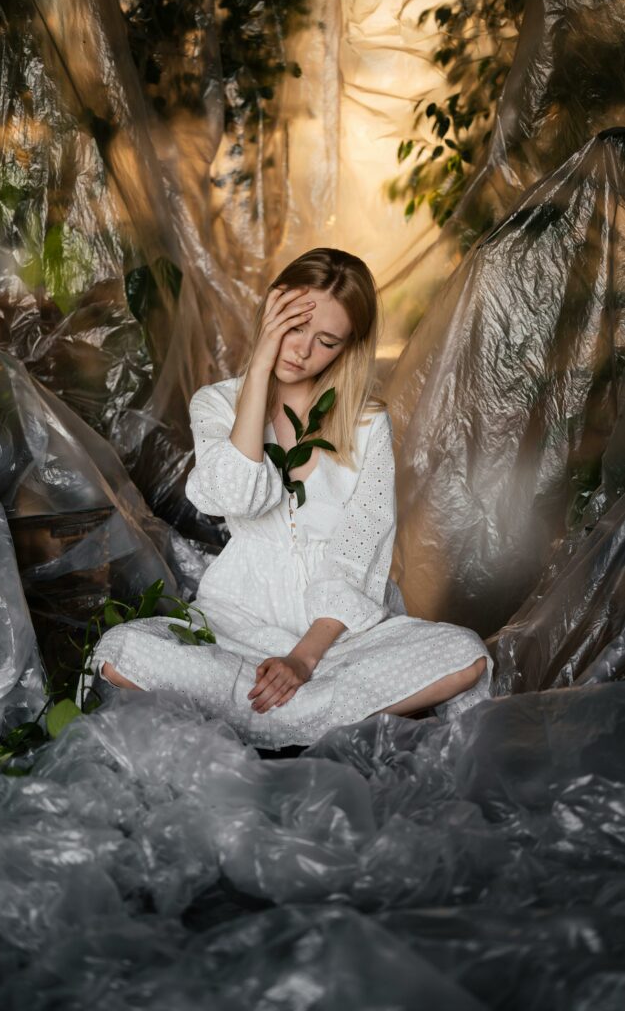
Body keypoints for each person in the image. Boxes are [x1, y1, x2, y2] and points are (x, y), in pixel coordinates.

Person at [91, 248, 493, 750]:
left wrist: (303, 660)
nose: (301, 350)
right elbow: (234, 496)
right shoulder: (217, 404)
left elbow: (358, 551)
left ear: (347, 347)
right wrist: (260, 368)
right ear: (271, 312)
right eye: (294, 326)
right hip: (237, 626)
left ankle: (267, 717)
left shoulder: (367, 423)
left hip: (338, 637)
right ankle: (310, 716)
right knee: (121, 650)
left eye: (326, 341)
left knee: (464, 654)